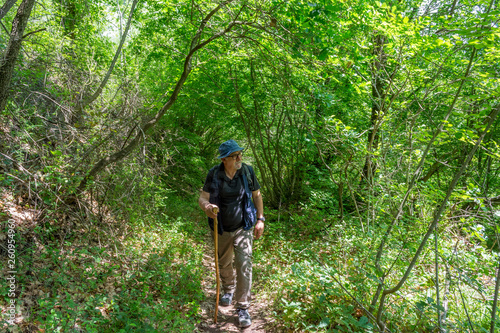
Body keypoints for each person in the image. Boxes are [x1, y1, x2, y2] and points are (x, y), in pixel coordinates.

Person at [198, 139, 265, 328]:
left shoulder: (247, 171)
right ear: (225, 159)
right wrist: (207, 207)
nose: (239, 158)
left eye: (240, 154)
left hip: (243, 226)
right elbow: (203, 198)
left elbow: (257, 195)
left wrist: (260, 219)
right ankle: (228, 289)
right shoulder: (214, 174)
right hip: (220, 227)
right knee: (224, 262)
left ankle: (243, 307)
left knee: (244, 263)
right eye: (235, 155)